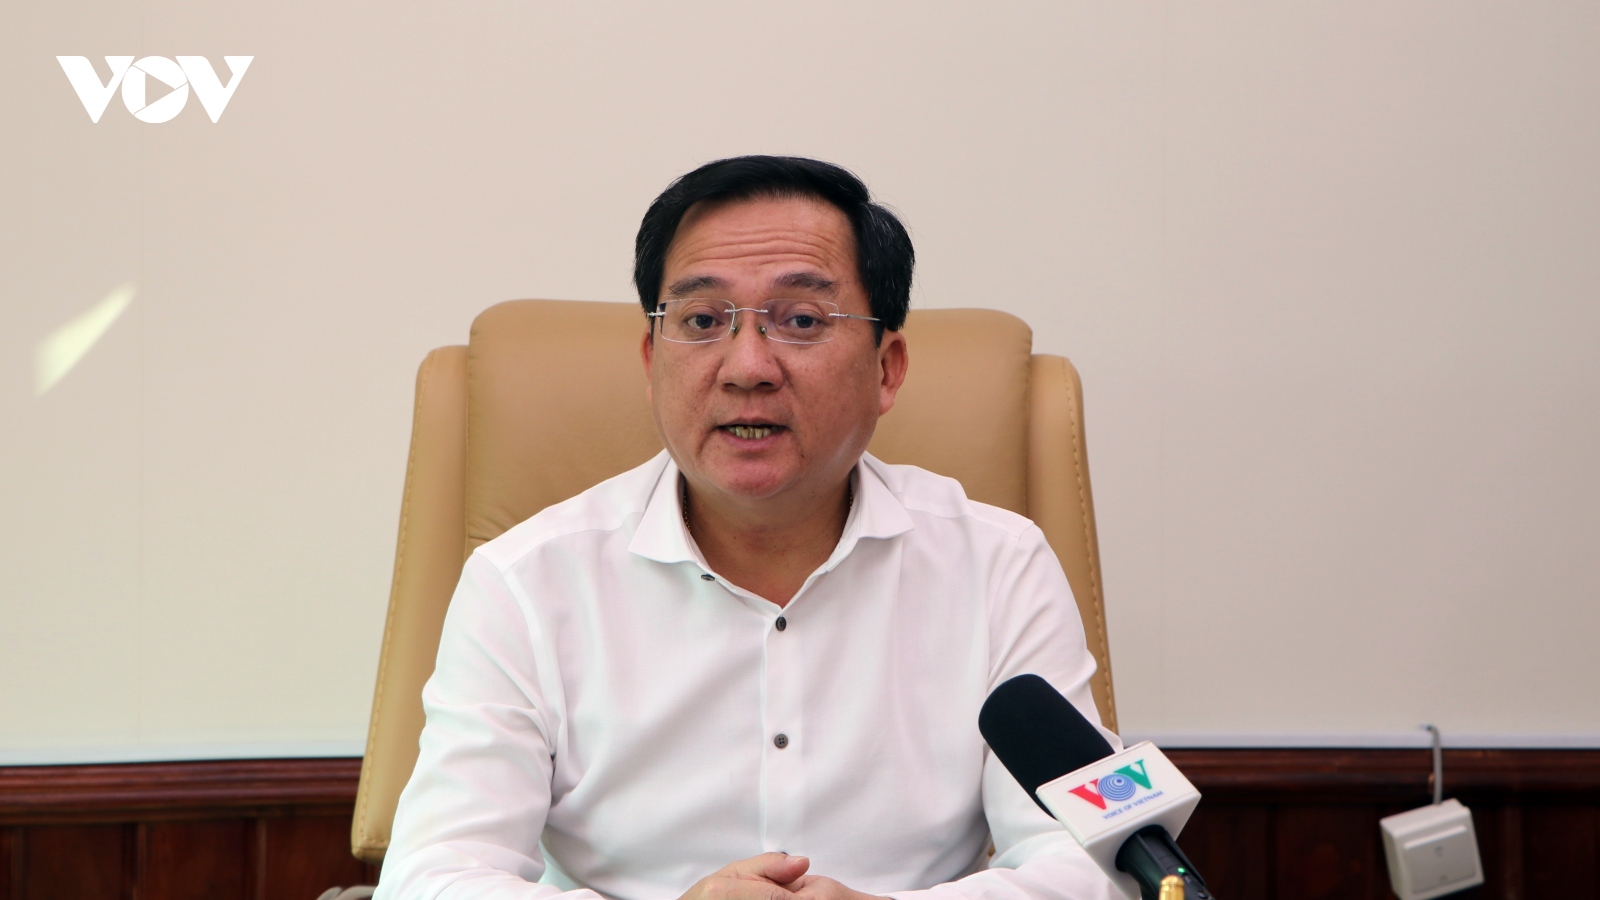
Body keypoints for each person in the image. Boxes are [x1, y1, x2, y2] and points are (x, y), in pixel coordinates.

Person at [375, 156, 1118, 900]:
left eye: (801, 321)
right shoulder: (526, 583)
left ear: (887, 368)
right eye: (702, 321)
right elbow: (430, 876)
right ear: (652, 361)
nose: (748, 367)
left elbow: (1098, 860)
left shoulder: (999, 566)